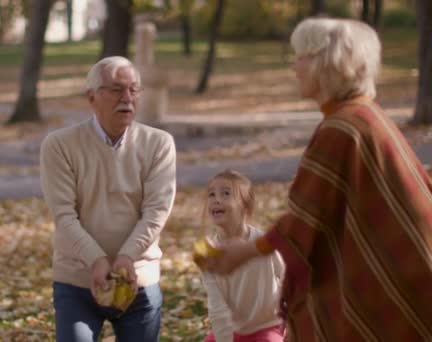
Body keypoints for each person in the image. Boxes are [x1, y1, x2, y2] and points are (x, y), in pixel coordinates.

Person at [198, 17, 432, 341]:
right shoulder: (363, 116)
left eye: (301, 57)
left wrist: (245, 252)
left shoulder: (344, 126)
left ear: (329, 63)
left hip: (394, 282)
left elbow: (306, 217)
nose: (295, 67)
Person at [40, 56, 177, 341]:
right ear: (92, 97)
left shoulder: (159, 144)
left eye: (134, 90)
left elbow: (156, 211)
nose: (127, 98)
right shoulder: (60, 145)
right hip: (76, 280)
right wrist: (96, 260)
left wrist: (127, 257)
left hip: (137, 280)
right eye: (116, 90)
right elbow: (64, 214)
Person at [197, 170, 285, 342]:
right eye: (211, 194)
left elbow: (288, 277)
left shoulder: (263, 243)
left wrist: (291, 320)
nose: (216, 199)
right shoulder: (207, 252)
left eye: (226, 193)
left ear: (245, 206)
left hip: (268, 327)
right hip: (233, 331)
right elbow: (217, 307)